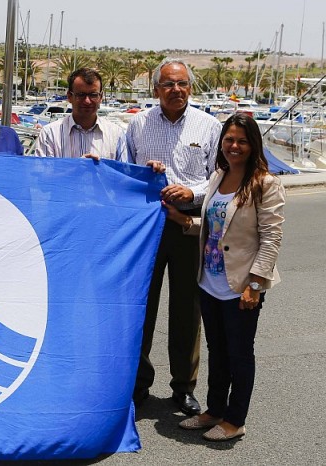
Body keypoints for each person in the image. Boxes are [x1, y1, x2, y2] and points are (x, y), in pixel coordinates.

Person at [167, 114, 284, 441]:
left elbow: (271, 238)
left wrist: (255, 284)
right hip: (210, 282)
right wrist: (183, 221)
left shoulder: (265, 184)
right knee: (216, 350)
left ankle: (235, 420)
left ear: (253, 145)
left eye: (242, 141)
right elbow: (214, 228)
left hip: (240, 285)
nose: (234, 146)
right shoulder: (218, 176)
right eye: (229, 140)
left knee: (239, 354)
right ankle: (215, 410)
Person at [125, 58, 223, 416]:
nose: (175, 90)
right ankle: (138, 384)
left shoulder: (209, 126)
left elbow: (219, 178)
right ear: (156, 89)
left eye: (181, 83)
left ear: (190, 87)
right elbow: (127, 172)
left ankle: (183, 387)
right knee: (141, 307)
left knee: (187, 308)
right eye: (168, 84)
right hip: (146, 226)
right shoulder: (138, 124)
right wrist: (145, 174)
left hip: (187, 224)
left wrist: (192, 192)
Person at [33, 67, 125, 160]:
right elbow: (43, 169)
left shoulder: (116, 135)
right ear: (69, 96)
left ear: (101, 97)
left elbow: (124, 169)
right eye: (81, 95)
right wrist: (77, 166)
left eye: (93, 95)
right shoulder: (49, 134)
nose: (87, 101)